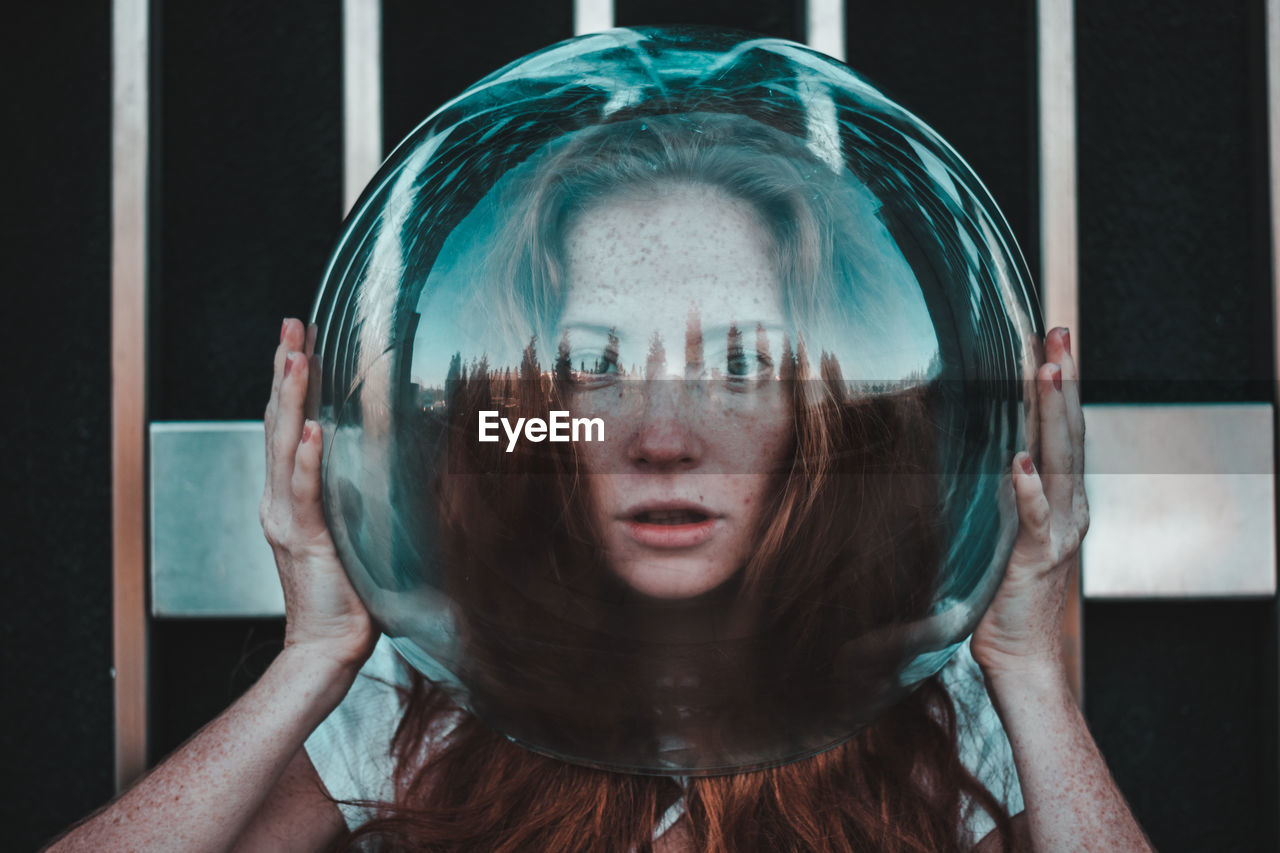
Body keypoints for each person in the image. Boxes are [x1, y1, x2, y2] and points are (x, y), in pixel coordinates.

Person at [47, 115, 1153, 853]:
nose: (662, 436)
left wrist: (1026, 670)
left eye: (736, 363)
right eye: (595, 365)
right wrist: (314, 658)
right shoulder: (423, 698)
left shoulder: (932, 708)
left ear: (818, 414)